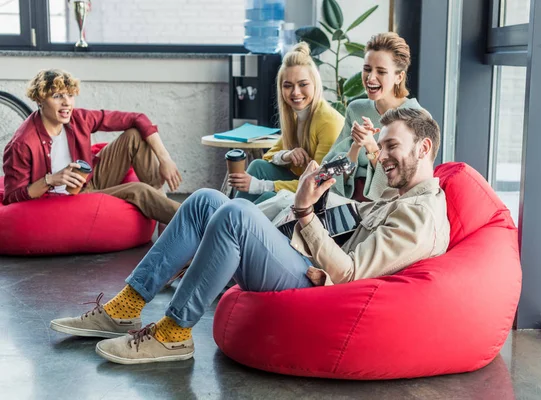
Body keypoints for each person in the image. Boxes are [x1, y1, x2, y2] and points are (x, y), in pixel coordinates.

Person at [50, 108, 450, 365]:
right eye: (380, 147)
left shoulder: (420, 216)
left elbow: (348, 274)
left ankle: (174, 333)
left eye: (391, 146)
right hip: (307, 255)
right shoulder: (400, 196)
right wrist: (318, 195)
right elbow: (356, 223)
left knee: (237, 213)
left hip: (318, 284)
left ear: (425, 147)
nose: (381, 157)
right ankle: (126, 307)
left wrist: (305, 211)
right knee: (207, 199)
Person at [2, 69, 182, 224]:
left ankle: (164, 210)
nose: (67, 103)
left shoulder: (78, 119)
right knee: (139, 191)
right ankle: (199, 220)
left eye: (70, 95)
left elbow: (138, 119)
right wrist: (51, 180)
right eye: (57, 96)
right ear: (39, 100)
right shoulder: (22, 143)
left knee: (135, 135)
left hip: (90, 181)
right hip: (66, 200)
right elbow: (12, 197)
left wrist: (165, 159)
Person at [231, 42, 344, 204]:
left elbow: (318, 182)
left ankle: (234, 220)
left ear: (315, 84)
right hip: (300, 186)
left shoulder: (328, 122)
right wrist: (288, 155)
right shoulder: (297, 117)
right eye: (288, 86)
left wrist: (261, 185)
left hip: (321, 199)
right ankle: (233, 215)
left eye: (303, 84)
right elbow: (268, 157)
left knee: (267, 197)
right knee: (257, 166)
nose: (295, 92)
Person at [322, 32, 426, 202]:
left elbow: (406, 185)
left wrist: (372, 148)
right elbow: (329, 170)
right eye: (367, 69)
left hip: (386, 209)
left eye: (381, 72)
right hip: (344, 201)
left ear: (399, 77)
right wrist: (355, 148)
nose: (370, 78)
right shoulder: (356, 109)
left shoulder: (417, 119)